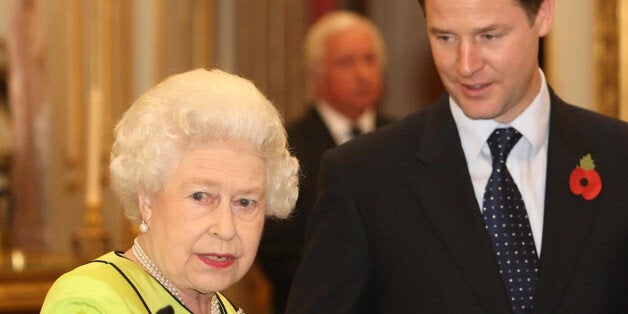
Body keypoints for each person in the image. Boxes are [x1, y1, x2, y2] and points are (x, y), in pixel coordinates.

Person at [286, 0, 628, 313]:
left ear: (542, 15)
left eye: (489, 36)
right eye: (445, 38)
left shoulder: (618, 157)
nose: (466, 65)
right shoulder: (363, 176)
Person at [41, 69, 299, 314]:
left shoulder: (224, 309)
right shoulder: (91, 301)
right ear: (147, 200)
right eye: (201, 196)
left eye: (245, 202)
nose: (226, 228)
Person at [256, 10, 392, 313]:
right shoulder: (284, 147)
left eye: (369, 60)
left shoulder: (406, 139)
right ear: (317, 75)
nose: (361, 73)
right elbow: (277, 250)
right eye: (346, 62)